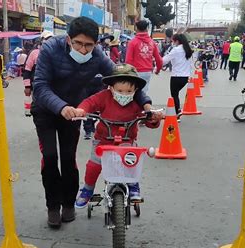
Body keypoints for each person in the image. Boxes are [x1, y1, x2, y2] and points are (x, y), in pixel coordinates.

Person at [31, 16, 156, 228]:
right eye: (78, 43)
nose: (82, 49)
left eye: (88, 45)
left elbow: (123, 79)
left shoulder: (97, 56)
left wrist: (146, 104)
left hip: (75, 112)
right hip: (46, 111)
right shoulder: (51, 48)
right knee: (50, 157)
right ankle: (53, 206)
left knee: (69, 158)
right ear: (69, 39)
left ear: (96, 44)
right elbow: (40, 86)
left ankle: (69, 204)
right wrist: (61, 107)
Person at [74, 64, 162, 208]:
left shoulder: (137, 102)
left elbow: (149, 120)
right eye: (120, 90)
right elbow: (89, 102)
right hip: (103, 140)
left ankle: (134, 186)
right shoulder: (104, 97)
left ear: (135, 90)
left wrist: (154, 119)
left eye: (129, 91)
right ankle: (87, 189)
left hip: (128, 140)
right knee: (94, 165)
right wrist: (81, 110)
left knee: (132, 163)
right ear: (111, 88)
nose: (124, 94)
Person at [125, 20, 163, 94]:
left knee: (133, 93)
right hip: (147, 72)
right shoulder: (152, 42)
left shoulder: (132, 42)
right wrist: (157, 70)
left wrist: (127, 73)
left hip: (135, 72)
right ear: (147, 28)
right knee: (143, 93)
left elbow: (128, 60)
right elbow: (159, 60)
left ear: (136, 29)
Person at [162, 33, 193, 120]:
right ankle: (177, 110)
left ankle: (177, 112)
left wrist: (156, 66)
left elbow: (165, 59)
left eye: (173, 41)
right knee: (176, 94)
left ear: (177, 41)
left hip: (176, 76)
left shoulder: (176, 50)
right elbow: (190, 64)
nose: (173, 43)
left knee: (174, 95)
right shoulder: (188, 50)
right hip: (185, 77)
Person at [23, 31, 54, 116]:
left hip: (53, 87)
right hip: (37, 86)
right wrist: (27, 86)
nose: (49, 41)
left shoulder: (56, 53)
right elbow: (27, 70)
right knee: (39, 109)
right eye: (47, 39)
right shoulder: (34, 53)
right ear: (42, 40)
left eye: (51, 39)